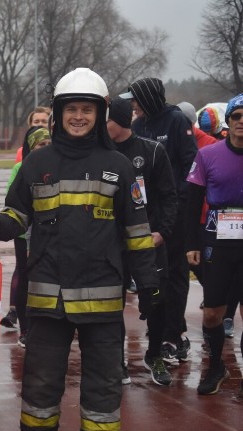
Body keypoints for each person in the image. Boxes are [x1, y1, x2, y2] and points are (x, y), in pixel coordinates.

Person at [0, 68, 159, 431]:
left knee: (104, 380)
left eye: (87, 110)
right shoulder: (37, 163)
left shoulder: (118, 167)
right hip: (47, 292)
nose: (79, 116)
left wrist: (149, 283)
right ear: (59, 114)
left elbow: (136, 230)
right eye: (71, 109)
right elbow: (18, 213)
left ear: (99, 114)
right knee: (41, 379)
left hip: (102, 293)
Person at [122, 77, 198, 367]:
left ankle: (173, 333)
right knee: (155, 276)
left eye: (137, 100)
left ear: (150, 98)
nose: (134, 105)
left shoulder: (176, 121)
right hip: (146, 212)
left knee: (176, 273)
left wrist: (178, 198)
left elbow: (191, 163)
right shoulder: (139, 125)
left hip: (176, 210)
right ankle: (165, 331)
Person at [107, 97, 178, 386]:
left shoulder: (152, 152)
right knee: (113, 301)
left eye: (106, 120)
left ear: (122, 121)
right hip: (113, 243)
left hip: (149, 242)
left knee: (157, 300)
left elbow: (170, 197)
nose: (100, 126)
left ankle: (154, 355)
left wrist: (162, 232)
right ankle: (118, 361)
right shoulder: (101, 153)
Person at [185, 93, 243, 397]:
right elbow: (192, 201)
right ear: (229, 121)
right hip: (216, 243)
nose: (242, 122)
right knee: (212, 314)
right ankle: (216, 366)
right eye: (237, 117)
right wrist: (191, 243)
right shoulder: (208, 155)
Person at [3, 126, 51, 346]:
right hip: (24, 234)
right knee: (25, 277)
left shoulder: (57, 165)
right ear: (31, 147)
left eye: (49, 144)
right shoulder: (22, 168)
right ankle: (25, 329)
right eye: (41, 144)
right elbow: (12, 200)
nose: (46, 148)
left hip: (48, 233)